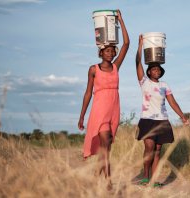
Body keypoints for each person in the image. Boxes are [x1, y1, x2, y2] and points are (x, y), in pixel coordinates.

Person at [78, 9, 129, 190]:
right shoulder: (94, 69)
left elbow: (126, 44)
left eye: (112, 50)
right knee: (105, 143)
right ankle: (108, 182)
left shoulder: (116, 67)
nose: (111, 52)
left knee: (106, 148)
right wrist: (82, 116)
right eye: (107, 50)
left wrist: (121, 20)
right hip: (99, 111)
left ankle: (96, 175)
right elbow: (87, 93)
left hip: (113, 110)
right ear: (101, 52)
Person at [135, 35, 189, 187]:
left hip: (162, 121)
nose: (156, 71)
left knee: (158, 151)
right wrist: (140, 45)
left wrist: (182, 116)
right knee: (149, 147)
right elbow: (137, 62)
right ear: (149, 72)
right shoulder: (144, 82)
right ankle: (146, 176)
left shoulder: (165, 85)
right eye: (153, 69)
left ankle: (154, 180)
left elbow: (172, 101)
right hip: (147, 120)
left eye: (158, 69)